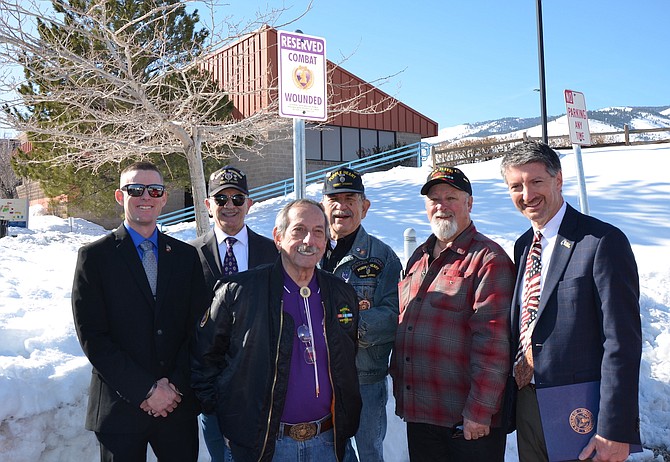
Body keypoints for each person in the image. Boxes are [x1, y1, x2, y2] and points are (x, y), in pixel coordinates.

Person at [500, 141, 642, 462]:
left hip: (581, 410)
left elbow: (622, 343)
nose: (527, 195)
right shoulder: (524, 246)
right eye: (516, 186)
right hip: (528, 402)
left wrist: (614, 429)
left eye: (536, 182)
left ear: (558, 180)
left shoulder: (601, 242)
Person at [191, 198, 362, 462]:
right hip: (263, 447)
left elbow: (348, 361)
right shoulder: (238, 293)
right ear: (278, 237)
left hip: (329, 443)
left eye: (318, 232)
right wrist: (233, 421)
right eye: (299, 230)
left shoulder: (341, 294)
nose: (309, 240)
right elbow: (204, 361)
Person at [71, 161, 208, 462]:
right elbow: (93, 337)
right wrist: (146, 390)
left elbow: (199, 330)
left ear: (162, 197)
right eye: (136, 189)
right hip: (120, 410)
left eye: (154, 190)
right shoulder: (94, 258)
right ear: (121, 196)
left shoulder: (186, 257)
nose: (146, 196)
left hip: (177, 406)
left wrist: (173, 388)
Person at [390, 166, 515, 462]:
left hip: (465, 422)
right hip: (421, 414)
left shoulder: (488, 259)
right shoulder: (419, 257)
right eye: (434, 199)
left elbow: (494, 345)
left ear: (469, 203)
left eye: (451, 197)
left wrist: (480, 412)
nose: (441, 206)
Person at [190, 166, 277, 462]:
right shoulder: (189, 255)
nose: (229, 206)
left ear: (249, 204)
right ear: (208, 205)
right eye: (221, 199)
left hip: (261, 386)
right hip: (212, 388)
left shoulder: (273, 253)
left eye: (238, 199)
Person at [320, 167, 401, 462]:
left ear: (364, 207)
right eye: (334, 199)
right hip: (317, 378)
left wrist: (350, 325)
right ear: (323, 206)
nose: (342, 206)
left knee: (368, 453)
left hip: (364, 378)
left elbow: (394, 315)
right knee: (330, 452)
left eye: (350, 198)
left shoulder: (383, 257)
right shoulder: (307, 252)